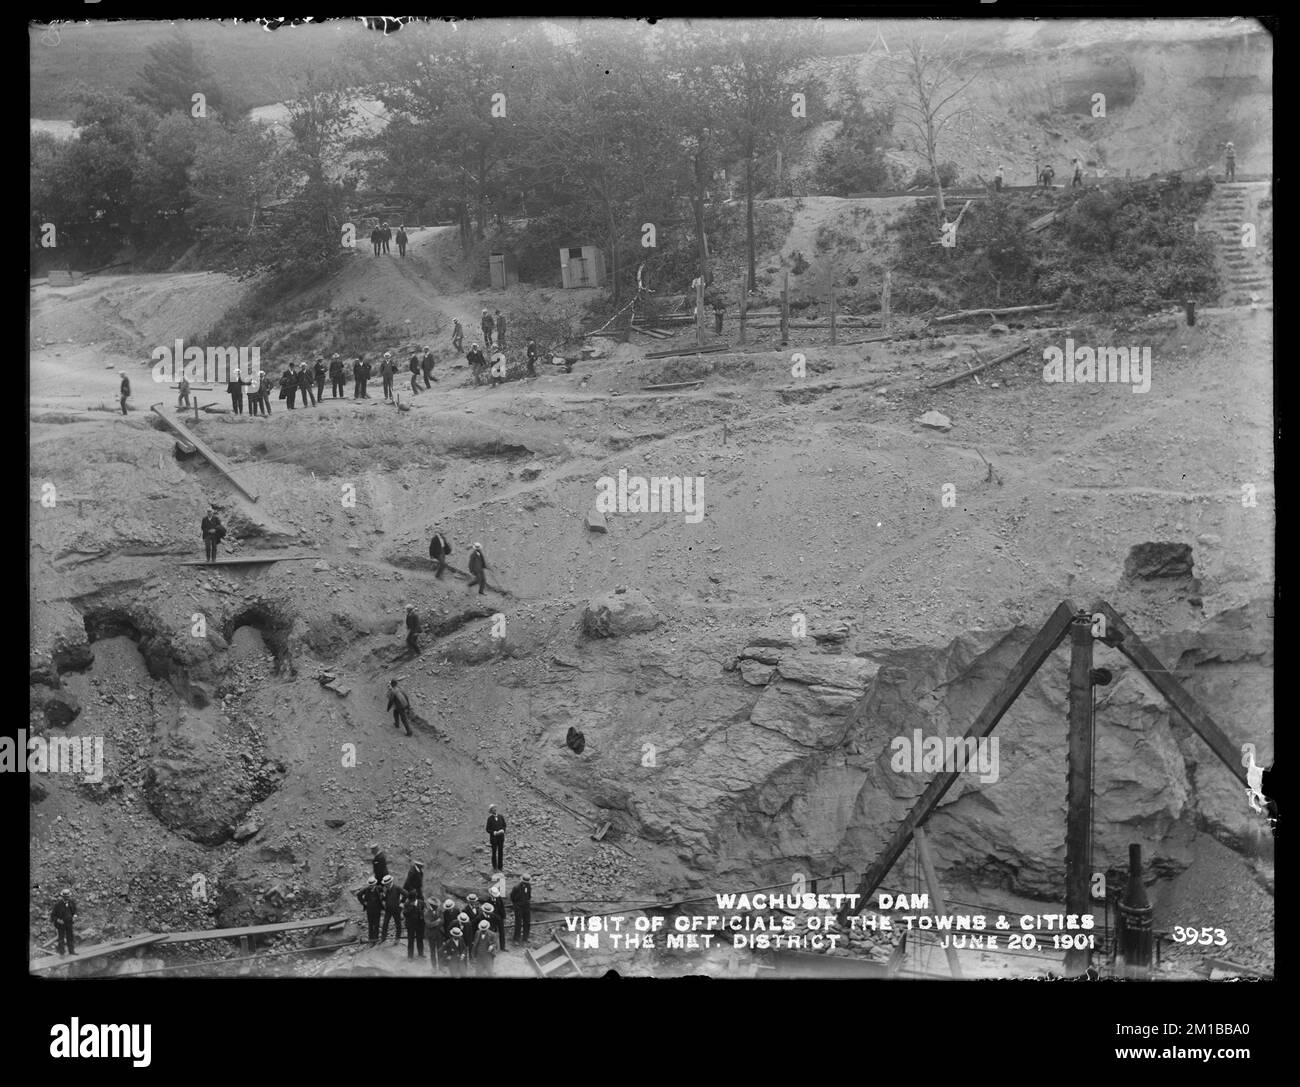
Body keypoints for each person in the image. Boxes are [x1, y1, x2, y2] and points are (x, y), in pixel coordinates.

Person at [356, 877, 384, 944]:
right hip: (369, 909)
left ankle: (376, 939)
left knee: (377, 924)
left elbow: (384, 893)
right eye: (370, 885)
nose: (371, 886)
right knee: (371, 924)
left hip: (377, 909)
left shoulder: (379, 888)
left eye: (373, 885)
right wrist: (363, 902)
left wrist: (382, 899)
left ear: (375, 884)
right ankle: (371, 939)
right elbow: (359, 894)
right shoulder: (366, 889)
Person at [51, 888, 77, 956]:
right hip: (61, 924)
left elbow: (75, 911)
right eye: (65, 897)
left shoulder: (72, 902)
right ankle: (62, 953)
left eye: (68, 896)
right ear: (63, 896)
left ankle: (71, 951)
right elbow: (53, 915)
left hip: (69, 923)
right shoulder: (58, 904)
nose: (67, 898)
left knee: (70, 937)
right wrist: (58, 920)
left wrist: (74, 916)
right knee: (61, 938)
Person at [380, 874, 405, 944]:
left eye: (386, 884)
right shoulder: (386, 889)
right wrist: (383, 897)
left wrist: (402, 903)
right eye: (385, 884)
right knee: (385, 923)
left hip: (396, 908)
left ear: (390, 882)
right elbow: (385, 898)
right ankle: (383, 938)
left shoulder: (397, 888)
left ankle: (397, 938)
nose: (385, 885)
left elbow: (406, 893)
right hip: (388, 909)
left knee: (398, 924)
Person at [511, 874, 532, 945]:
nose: (526, 883)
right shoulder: (516, 888)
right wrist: (517, 905)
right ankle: (516, 939)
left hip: (526, 907)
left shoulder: (529, 886)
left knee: (527, 922)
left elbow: (529, 896)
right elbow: (512, 898)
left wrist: (526, 902)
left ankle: (525, 938)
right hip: (518, 907)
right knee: (518, 923)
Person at [486, 881, 508, 951]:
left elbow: (502, 908)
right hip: (492, 919)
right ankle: (493, 947)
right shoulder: (489, 900)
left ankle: (503, 947)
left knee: (502, 932)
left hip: (499, 918)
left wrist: (504, 917)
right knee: (492, 932)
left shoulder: (499, 899)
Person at [404, 891, 425, 959]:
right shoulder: (407, 904)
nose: (411, 900)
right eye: (411, 899)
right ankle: (410, 956)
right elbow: (405, 913)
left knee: (420, 939)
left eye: (412, 899)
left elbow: (425, 912)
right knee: (410, 940)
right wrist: (411, 907)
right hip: (410, 925)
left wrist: (418, 910)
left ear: (415, 898)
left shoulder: (421, 902)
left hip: (419, 924)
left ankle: (421, 954)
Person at [486, 804, 506, 870]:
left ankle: (500, 866)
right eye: (492, 809)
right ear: (491, 811)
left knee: (500, 851)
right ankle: (494, 866)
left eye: (494, 808)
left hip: (501, 838)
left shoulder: (501, 817)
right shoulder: (489, 819)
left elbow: (504, 825)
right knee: (494, 852)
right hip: (494, 839)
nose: (494, 809)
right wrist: (494, 832)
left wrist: (502, 830)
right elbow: (487, 829)